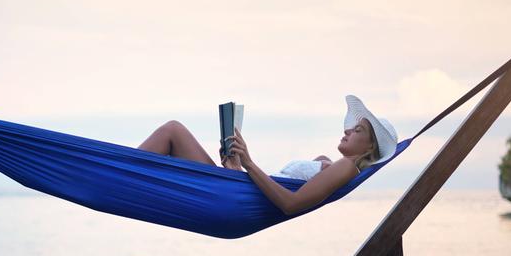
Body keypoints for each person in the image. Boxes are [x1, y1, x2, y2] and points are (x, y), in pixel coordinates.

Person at [139, 95, 397, 215]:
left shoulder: (347, 167)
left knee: (173, 131)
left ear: (370, 148)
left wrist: (249, 163)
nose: (347, 130)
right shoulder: (331, 165)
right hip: (239, 192)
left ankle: (118, 174)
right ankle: (123, 176)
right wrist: (236, 167)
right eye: (351, 127)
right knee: (173, 133)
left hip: (237, 201)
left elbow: (290, 205)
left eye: (358, 129)